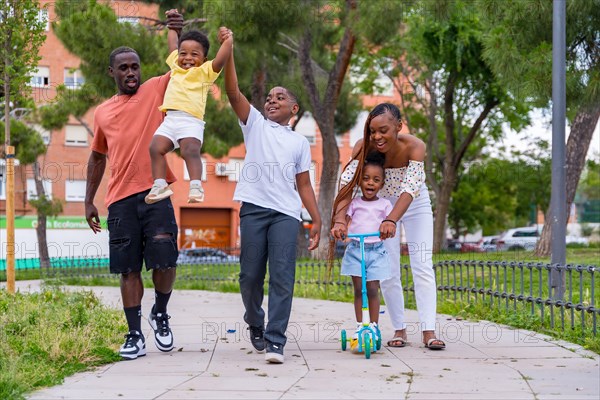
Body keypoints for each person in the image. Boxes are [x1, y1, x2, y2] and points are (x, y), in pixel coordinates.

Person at [85, 11, 183, 360]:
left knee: (165, 260)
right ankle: (134, 334)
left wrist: (175, 32)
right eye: (123, 68)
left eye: (135, 66)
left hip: (156, 192)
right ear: (112, 72)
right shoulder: (102, 112)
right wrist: (88, 202)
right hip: (120, 201)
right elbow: (97, 157)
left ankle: (161, 312)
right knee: (128, 269)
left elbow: (179, 70)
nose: (131, 73)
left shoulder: (155, 90)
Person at [222, 27, 322, 364]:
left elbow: (304, 185)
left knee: (282, 276)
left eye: (280, 97)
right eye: (269, 97)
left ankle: (276, 341)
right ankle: (255, 320)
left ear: (294, 109)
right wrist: (229, 49)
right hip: (253, 209)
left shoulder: (299, 143)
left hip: (286, 214)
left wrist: (317, 219)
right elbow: (233, 90)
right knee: (249, 276)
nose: (272, 100)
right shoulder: (255, 125)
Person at [331, 103, 445, 350]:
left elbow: (409, 188)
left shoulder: (415, 146)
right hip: (379, 205)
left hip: (413, 203)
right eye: (373, 131)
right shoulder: (363, 147)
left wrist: (391, 219)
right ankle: (399, 329)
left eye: (383, 130)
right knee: (389, 268)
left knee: (422, 263)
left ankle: (429, 331)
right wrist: (340, 219)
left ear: (398, 126)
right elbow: (347, 184)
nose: (377, 137)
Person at [145, 10, 233, 204]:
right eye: (183, 53)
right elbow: (172, 43)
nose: (187, 58)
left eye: (195, 54)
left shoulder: (205, 72)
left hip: (190, 121)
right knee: (155, 148)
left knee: (189, 151)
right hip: (170, 119)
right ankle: (160, 185)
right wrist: (171, 25)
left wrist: (227, 41)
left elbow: (221, 59)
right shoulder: (175, 68)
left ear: (204, 58)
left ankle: (196, 187)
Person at [339, 152, 393, 352]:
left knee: (372, 288)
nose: (370, 183)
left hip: (376, 250)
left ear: (382, 184)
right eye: (366, 178)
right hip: (355, 249)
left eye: (376, 180)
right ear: (360, 180)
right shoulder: (354, 203)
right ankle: (360, 325)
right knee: (359, 289)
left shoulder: (385, 204)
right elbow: (344, 217)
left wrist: (389, 229)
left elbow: (390, 223)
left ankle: (374, 326)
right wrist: (342, 226)